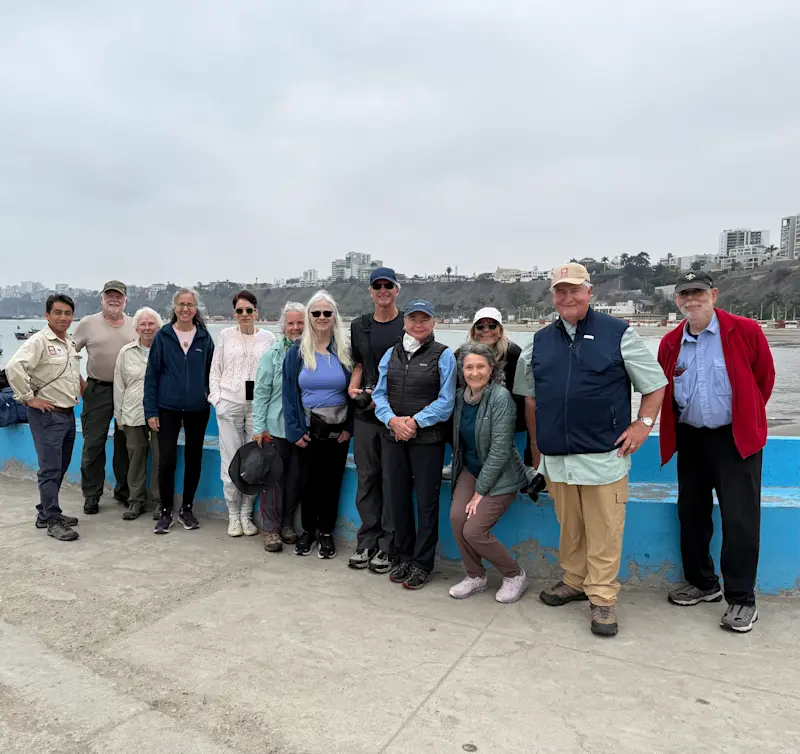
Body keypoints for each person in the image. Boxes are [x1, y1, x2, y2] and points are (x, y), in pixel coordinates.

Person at [514, 263, 667, 637]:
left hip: (604, 457)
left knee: (604, 531)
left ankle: (602, 599)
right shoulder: (537, 342)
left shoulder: (619, 334)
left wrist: (644, 425)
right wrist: (536, 448)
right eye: (560, 291)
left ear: (590, 291)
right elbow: (530, 399)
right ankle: (575, 580)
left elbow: (655, 384)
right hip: (557, 458)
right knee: (571, 528)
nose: (568, 297)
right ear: (553, 296)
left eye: (575, 290)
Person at [658, 271, 775, 633]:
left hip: (734, 438)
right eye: (684, 295)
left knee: (740, 519)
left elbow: (763, 380)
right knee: (691, 513)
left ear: (713, 294)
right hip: (691, 438)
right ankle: (703, 583)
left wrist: (744, 419)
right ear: (676, 300)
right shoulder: (670, 342)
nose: (691, 300)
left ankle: (741, 599)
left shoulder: (745, 331)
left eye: (698, 293)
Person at [373, 300, 457, 590]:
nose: (418, 324)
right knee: (397, 499)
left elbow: (446, 402)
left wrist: (414, 422)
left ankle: (423, 562)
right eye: (413, 319)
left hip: (427, 441)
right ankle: (403, 555)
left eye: (425, 319)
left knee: (426, 503)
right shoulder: (390, 354)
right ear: (405, 322)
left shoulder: (443, 355)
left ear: (434, 323)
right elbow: (379, 394)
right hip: (394, 437)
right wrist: (393, 421)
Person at [449, 343, 533, 603]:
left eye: (480, 367)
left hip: (501, 476)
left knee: (474, 530)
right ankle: (475, 575)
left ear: (491, 369)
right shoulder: (460, 398)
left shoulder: (500, 398)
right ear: (462, 371)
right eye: (469, 367)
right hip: (471, 470)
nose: (474, 372)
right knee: (456, 519)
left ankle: (514, 574)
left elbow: (499, 451)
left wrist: (479, 492)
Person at [6, 294, 86, 541]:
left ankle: (45, 512)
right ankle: (52, 520)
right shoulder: (39, 341)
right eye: (58, 313)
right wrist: (29, 398)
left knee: (60, 466)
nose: (64, 317)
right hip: (47, 415)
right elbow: (13, 367)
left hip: (67, 413)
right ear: (47, 315)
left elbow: (70, 373)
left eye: (68, 313)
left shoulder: (69, 342)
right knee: (50, 468)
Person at [282, 290, 353, 559]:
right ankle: (308, 530)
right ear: (309, 317)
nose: (322, 317)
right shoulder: (297, 352)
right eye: (316, 313)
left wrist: (351, 428)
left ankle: (326, 532)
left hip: (338, 429)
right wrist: (295, 430)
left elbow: (354, 392)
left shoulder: (345, 351)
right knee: (308, 482)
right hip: (308, 427)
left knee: (332, 482)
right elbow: (288, 393)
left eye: (327, 312)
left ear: (334, 316)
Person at [347, 267, 405, 573]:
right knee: (367, 478)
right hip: (366, 415)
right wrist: (354, 386)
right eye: (377, 286)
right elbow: (359, 363)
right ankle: (366, 540)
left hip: (395, 415)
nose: (382, 290)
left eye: (388, 285)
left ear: (397, 290)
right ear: (371, 292)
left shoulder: (409, 324)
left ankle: (389, 545)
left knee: (391, 479)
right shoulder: (360, 326)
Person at [144, 288, 215, 535]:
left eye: (190, 304)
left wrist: (209, 392)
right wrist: (150, 411)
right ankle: (165, 510)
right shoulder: (163, 335)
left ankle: (187, 508)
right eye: (181, 304)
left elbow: (212, 372)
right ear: (174, 308)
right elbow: (151, 375)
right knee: (167, 460)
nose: (185, 309)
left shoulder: (204, 337)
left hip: (198, 408)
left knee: (194, 459)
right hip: (167, 408)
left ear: (196, 309)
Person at [209, 291, 275, 538]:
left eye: (249, 310)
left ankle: (247, 514)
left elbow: (273, 373)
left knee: (254, 463)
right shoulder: (225, 336)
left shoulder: (268, 338)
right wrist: (217, 401)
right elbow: (215, 371)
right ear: (234, 313)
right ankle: (233, 516)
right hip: (230, 406)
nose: (244, 315)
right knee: (230, 461)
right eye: (239, 311)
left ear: (256, 312)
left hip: (257, 409)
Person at [73, 281, 136, 515]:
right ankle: (91, 494)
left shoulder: (134, 325)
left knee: (126, 444)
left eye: (118, 296)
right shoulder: (88, 323)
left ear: (125, 300)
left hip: (127, 392)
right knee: (93, 444)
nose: (114, 300)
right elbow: (70, 352)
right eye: (109, 296)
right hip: (97, 389)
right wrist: (80, 383)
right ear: (102, 298)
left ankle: (124, 489)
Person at [253, 301, 306, 552]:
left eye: (300, 323)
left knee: (295, 480)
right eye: (291, 323)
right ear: (283, 326)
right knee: (273, 482)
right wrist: (259, 427)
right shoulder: (271, 356)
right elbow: (261, 394)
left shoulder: (313, 353)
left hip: (303, 430)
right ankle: (271, 529)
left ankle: (287, 524)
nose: (295, 327)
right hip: (275, 429)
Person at [113, 307, 163, 521]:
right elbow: (119, 386)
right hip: (132, 412)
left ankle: (161, 501)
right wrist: (119, 416)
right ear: (136, 328)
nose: (147, 328)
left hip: (161, 413)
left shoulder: (166, 349)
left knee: (161, 457)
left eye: (151, 324)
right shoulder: (126, 352)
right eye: (142, 324)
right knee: (135, 456)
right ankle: (136, 500)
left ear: (158, 326)